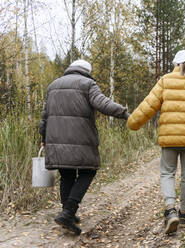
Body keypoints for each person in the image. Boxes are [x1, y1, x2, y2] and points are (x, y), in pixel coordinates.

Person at [38, 59, 130, 235]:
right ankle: (67, 213)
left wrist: (44, 137)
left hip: (55, 138)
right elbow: (103, 103)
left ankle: (67, 213)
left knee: (67, 173)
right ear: (86, 71)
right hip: (81, 138)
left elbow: (45, 115)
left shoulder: (53, 85)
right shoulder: (88, 83)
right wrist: (124, 113)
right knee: (88, 171)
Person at [127, 50, 185, 234]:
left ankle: (170, 210)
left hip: (168, 138)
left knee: (167, 173)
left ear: (175, 64)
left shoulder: (165, 80)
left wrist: (133, 122)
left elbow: (148, 105)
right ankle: (183, 212)